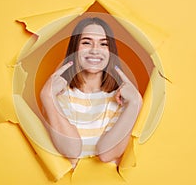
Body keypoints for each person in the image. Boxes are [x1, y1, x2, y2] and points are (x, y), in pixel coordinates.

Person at [40, 17, 142, 166]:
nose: (95, 50)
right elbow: (71, 151)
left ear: (110, 52)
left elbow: (107, 154)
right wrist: (47, 97)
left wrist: (135, 102)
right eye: (87, 42)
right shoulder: (56, 96)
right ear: (75, 49)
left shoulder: (123, 99)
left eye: (103, 44)